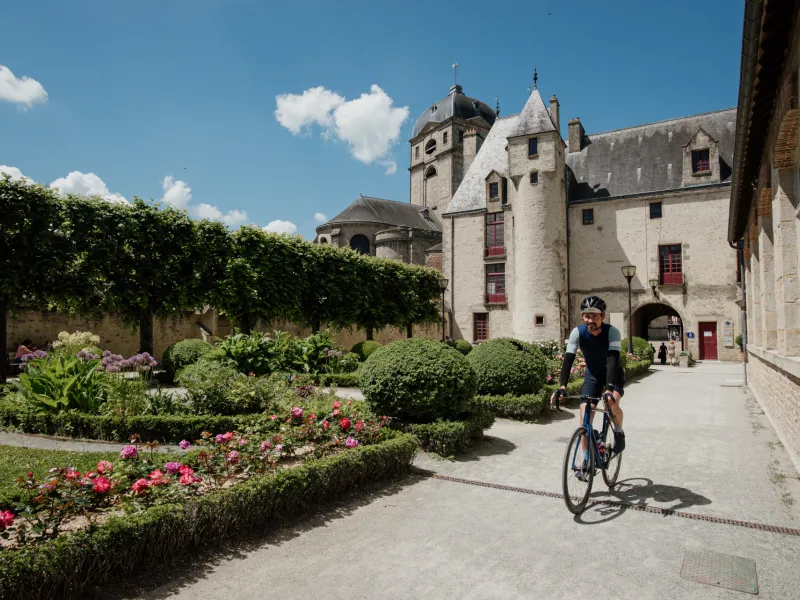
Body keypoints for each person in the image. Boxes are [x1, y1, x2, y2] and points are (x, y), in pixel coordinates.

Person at [550, 296, 626, 457]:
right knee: (585, 419)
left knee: (610, 406)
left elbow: (612, 359)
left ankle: (618, 430)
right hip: (592, 375)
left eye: (595, 316)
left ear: (602, 317)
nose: (590, 320)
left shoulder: (612, 332)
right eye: (587, 316)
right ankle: (586, 460)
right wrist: (562, 386)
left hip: (613, 375)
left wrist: (609, 389)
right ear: (582, 316)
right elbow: (569, 358)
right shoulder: (577, 332)